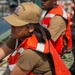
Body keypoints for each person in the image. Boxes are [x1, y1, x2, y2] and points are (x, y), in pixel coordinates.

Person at [0, 2, 71, 75]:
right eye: (12, 23)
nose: (12, 27)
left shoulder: (31, 52)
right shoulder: (18, 37)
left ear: (31, 28)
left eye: (17, 24)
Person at [41, 0, 74, 69]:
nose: (42, 2)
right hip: (54, 54)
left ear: (54, 2)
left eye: (45, 0)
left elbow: (47, 38)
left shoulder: (58, 17)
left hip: (62, 57)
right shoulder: (50, 11)